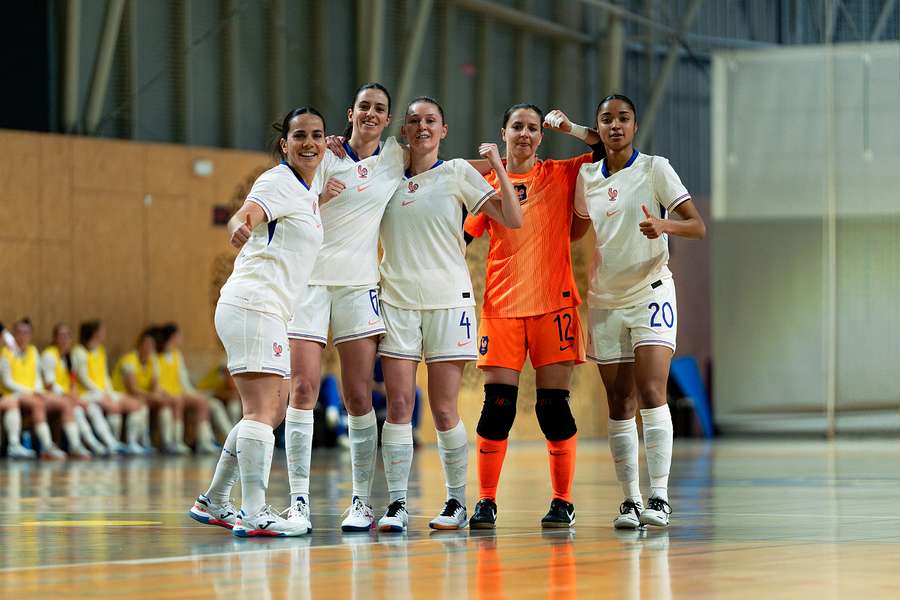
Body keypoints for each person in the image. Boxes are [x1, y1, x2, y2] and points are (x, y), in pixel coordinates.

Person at [552, 94, 706, 528]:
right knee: (619, 401)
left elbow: (697, 225)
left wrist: (664, 225)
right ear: (598, 127)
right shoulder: (587, 177)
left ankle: (659, 496)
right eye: (606, 119)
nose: (615, 125)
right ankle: (631, 501)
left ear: (635, 125)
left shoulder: (655, 168)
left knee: (652, 390)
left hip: (651, 291)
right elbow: (578, 226)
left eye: (623, 118)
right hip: (605, 299)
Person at [374, 96, 523, 532]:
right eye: (414, 120)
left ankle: (456, 501)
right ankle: (398, 505)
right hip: (397, 301)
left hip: (448, 301)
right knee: (399, 405)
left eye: (431, 120)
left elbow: (513, 219)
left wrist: (497, 164)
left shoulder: (458, 172)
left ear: (444, 130)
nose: (422, 126)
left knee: (443, 408)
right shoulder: (388, 176)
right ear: (404, 131)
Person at [188, 106, 329, 537]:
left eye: (317, 135)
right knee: (262, 410)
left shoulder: (305, 189)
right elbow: (246, 213)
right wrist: (238, 226)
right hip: (254, 304)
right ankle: (253, 511)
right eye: (299, 135)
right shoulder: (278, 180)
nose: (309, 142)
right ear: (284, 144)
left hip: (265, 310)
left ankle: (214, 500)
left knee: (268, 411)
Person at [462, 103, 597, 530]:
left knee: (552, 407)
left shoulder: (560, 173)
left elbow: (602, 149)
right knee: (497, 408)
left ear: (541, 137)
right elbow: (462, 238)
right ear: (503, 133)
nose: (524, 133)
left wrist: (571, 126)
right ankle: (485, 501)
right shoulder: (486, 184)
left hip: (553, 306)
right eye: (517, 126)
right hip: (501, 309)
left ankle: (563, 501)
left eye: (533, 128)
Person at [284, 83, 407, 533]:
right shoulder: (323, 154)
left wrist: (506, 164)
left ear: (388, 119)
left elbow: (445, 166)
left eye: (379, 109)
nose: (371, 114)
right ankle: (298, 502)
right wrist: (321, 198)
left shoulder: (396, 157)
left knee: (358, 396)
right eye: (364, 107)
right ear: (350, 113)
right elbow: (288, 205)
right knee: (302, 389)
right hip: (310, 282)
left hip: (359, 285)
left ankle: (361, 501)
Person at [0, 319, 85, 459]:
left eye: (26, 332)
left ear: (31, 335)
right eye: (19, 332)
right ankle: (46, 446)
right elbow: (7, 382)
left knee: (66, 403)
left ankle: (75, 445)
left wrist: (39, 391)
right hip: (13, 394)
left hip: (33, 393)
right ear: (14, 334)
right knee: (38, 403)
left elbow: (38, 377)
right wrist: (32, 392)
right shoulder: (6, 352)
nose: (22, 336)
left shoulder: (33, 351)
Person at [71, 320, 145, 454]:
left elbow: (105, 375)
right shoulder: (79, 352)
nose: (104, 334)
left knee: (137, 405)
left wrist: (110, 393)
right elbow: (83, 378)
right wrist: (101, 393)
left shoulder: (100, 350)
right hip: (87, 393)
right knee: (108, 407)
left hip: (101, 392)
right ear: (94, 333)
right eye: (102, 331)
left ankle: (130, 442)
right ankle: (110, 442)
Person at [111, 328, 182, 454]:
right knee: (141, 406)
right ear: (139, 345)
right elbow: (132, 389)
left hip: (139, 395)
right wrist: (153, 396)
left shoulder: (151, 361)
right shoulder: (129, 360)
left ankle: (168, 442)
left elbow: (154, 384)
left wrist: (159, 394)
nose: (149, 348)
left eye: (152, 345)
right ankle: (133, 442)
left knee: (164, 404)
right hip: (120, 394)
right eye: (147, 345)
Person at [41, 322, 108, 456]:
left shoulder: (69, 357)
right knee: (74, 408)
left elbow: (73, 382)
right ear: (54, 338)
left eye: (67, 336)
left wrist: (74, 396)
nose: (65, 339)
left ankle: (103, 441)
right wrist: (68, 396)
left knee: (89, 407)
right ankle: (77, 444)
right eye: (61, 336)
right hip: (50, 396)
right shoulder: (49, 355)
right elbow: (49, 384)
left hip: (66, 397)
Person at [154, 323, 218, 454]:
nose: (181, 338)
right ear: (172, 337)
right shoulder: (156, 357)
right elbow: (155, 381)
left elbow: (184, 380)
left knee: (201, 402)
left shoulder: (177, 355)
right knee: (178, 401)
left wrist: (194, 393)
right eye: (179, 335)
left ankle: (204, 442)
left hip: (179, 392)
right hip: (165, 394)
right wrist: (166, 394)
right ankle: (176, 442)